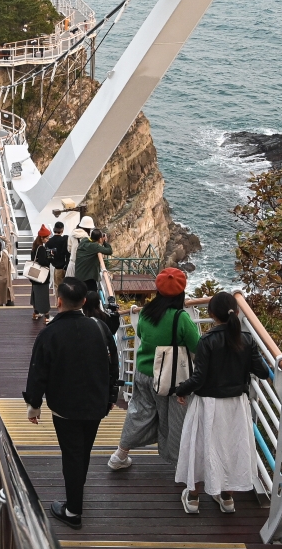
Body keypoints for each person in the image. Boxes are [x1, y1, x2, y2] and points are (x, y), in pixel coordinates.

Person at [23, 278, 119, 529]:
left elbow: (38, 372)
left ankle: (74, 509)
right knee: (83, 450)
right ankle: (77, 492)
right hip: (97, 402)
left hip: (65, 406)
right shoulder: (100, 328)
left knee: (72, 454)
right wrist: (111, 397)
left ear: (59, 301)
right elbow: (113, 364)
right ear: (84, 301)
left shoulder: (49, 333)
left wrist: (34, 405)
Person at [172, 291, 273, 514]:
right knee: (231, 448)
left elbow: (199, 378)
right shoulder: (247, 340)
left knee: (199, 448)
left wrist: (181, 390)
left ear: (210, 315)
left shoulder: (207, 341)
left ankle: (193, 499)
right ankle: (227, 499)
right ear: (237, 312)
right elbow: (264, 372)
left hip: (208, 404)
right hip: (236, 404)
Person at [108, 268, 200, 471]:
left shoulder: (146, 312)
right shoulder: (180, 317)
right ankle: (179, 466)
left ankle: (120, 455)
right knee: (175, 419)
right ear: (181, 292)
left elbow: (140, 334)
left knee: (139, 413)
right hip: (170, 377)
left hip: (143, 372)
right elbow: (197, 347)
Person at [73, 228, 113, 292]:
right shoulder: (94, 246)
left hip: (79, 276)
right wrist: (105, 241)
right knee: (91, 295)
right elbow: (109, 251)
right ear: (100, 239)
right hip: (87, 278)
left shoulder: (84, 240)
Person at [29, 226, 53, 323]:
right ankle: (46, 317)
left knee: (35, 294)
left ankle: (36, 313)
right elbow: (44, 262)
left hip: (34, 275)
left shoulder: (35, 246)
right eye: (46, 238)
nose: (48, 239)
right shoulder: (42, 248)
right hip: (41, 276)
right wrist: (50, 257)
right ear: (42, 238)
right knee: (43, 295)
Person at [48, 221, 71, 288]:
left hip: (57, 268)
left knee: (58, 288)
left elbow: (49, 257)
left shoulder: (49, 242)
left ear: (54, 229)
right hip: (67, 268)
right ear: (62, 230)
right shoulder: (65, 239)